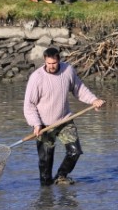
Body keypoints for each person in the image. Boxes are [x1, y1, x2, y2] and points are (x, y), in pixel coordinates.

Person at [23, 47, 106, 186]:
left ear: (59, 60)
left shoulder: (67, 70)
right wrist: (36, 124)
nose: (51, 66)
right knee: (46, 163)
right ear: (45, 61)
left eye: (54, 63)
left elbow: (79, 89)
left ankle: (61, 176)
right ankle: (46, 197)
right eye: (48, 63)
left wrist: (93, 100)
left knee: (75, 152)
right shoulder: (36, 78)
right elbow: (29, 105)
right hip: (44, 125)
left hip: (65, 120)